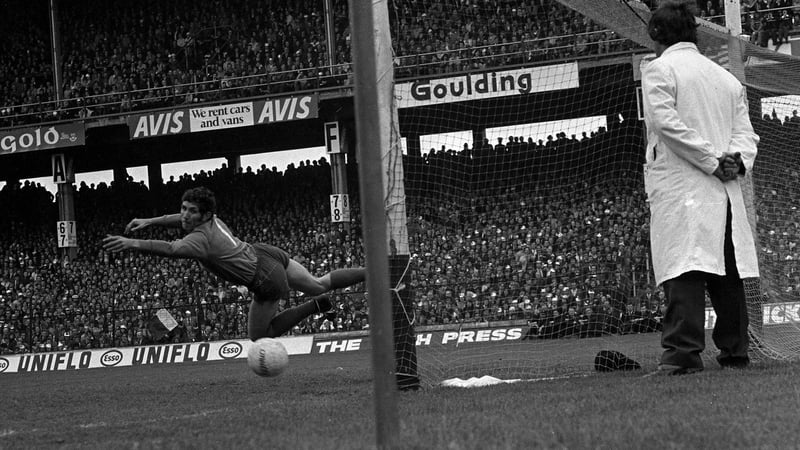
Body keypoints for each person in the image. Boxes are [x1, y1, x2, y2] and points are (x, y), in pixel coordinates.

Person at [641, 1, 759, 375]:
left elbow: (668, 125)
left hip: (684, 186)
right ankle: (735, 354)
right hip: (724, 189)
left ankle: (682, 355)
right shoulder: (725, 78)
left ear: (658, 35)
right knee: (728, 274)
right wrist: (735, 161)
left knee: (684, 268)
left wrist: (710, 161)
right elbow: (746, 134)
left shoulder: (659, 69)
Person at [102, 186, 365, 341]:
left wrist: (132, 243)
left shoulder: (201, 240)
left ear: (204, 215)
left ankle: (317, 306)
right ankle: (375, 270)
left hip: (263, 278)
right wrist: (150, 221)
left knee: (259, 336)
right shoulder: (212, 221)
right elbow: (177, 220)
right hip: (265, 253)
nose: (184, 214)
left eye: (191, 211)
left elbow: (171, 249)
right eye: (183, 208)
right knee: (319, 283)